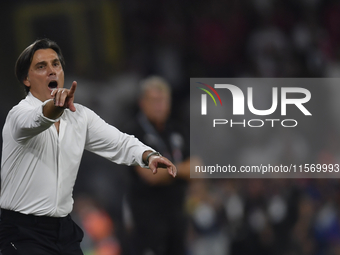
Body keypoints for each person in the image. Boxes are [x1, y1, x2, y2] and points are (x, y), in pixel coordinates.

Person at [0, 39, 177, 255]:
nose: (51, 71)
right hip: (23, 232)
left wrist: (147, 154)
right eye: (41, 66)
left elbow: (118, 142)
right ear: (26, 79)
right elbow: (37, 119)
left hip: (63, 229)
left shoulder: (79, 115)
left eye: (56, 64)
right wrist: (54, 108)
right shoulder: (18, 116)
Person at [124, 76, 192, 255]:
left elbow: (198, 168)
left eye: (163, 100)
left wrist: (169, 170)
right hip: (148, 222)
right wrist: (182, 169)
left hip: (177, 218)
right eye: (154, 100)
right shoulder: (133, 133)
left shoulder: (178, 130)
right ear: (142, 103)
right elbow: (150, 175)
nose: (159, 106)